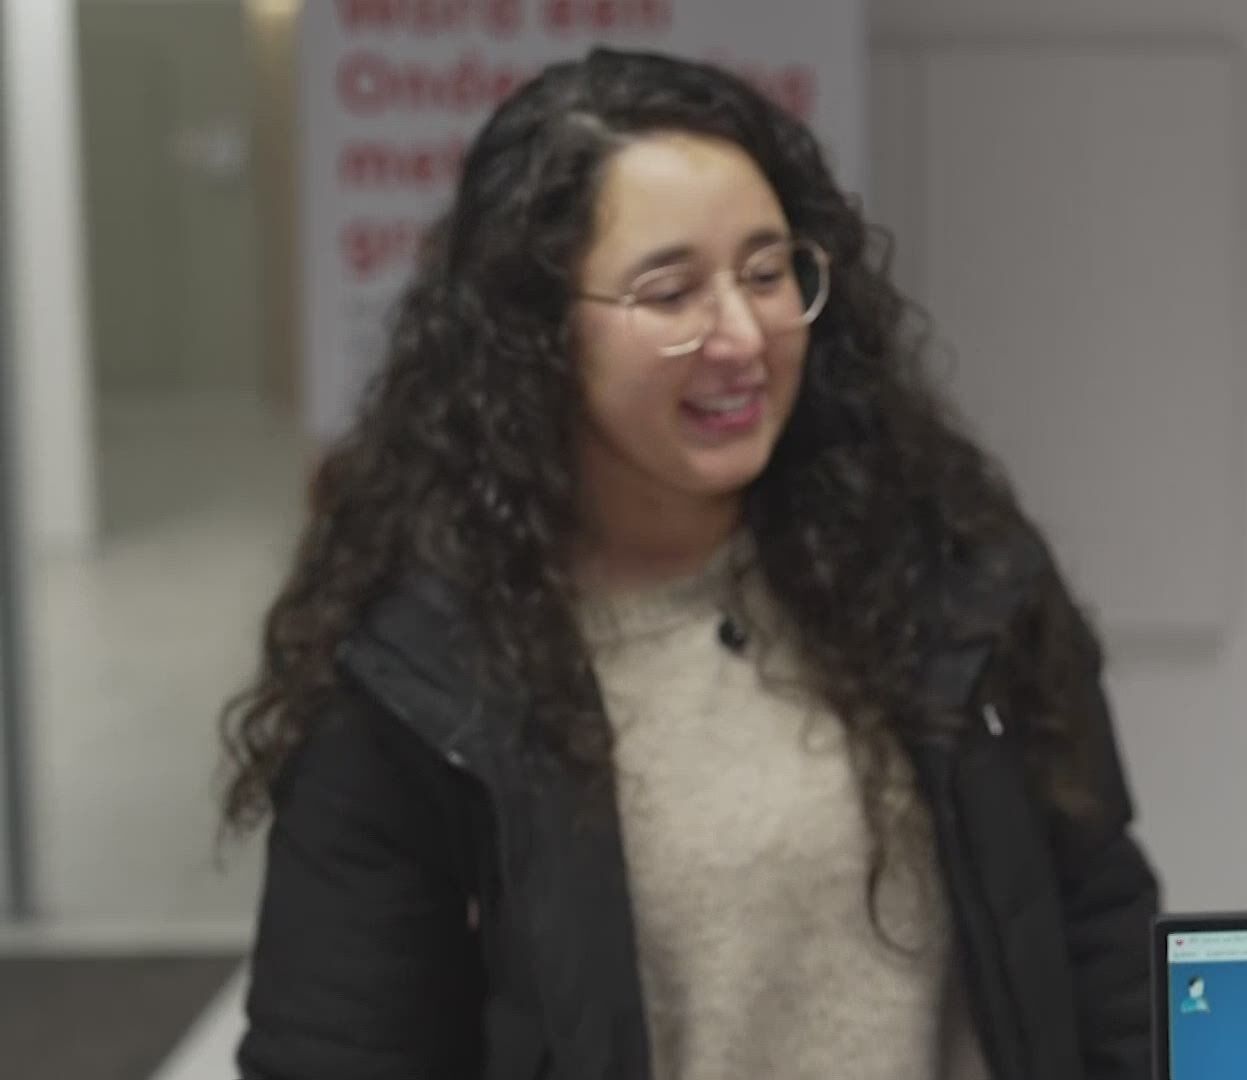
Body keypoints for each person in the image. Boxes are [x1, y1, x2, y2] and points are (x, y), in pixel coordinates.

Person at [221, 48, 1158, 1080]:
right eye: (670, 293)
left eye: (766, 274)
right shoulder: (420, 678)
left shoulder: (952, 570)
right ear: (537, 332)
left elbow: (1102, 939)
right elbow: (335, 1053)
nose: (742, 336)